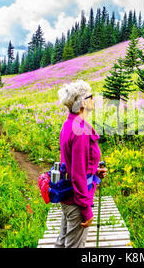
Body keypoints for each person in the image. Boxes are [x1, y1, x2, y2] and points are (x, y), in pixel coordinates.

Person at [54, 80, 108, 248]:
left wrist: (94, 171)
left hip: (68, 196)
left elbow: (74, 164)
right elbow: (77, 175)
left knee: (62, 243)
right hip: (76, 202)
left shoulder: (68, 124)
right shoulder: (81, 130)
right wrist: (86, 210)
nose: (94, 100)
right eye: (91, 96)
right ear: (83, 102)